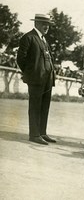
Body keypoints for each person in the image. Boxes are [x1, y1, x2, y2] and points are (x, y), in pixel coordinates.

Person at [17, 14, 56, 145]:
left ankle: (42, 133)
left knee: (45, 106)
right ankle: (34, 134)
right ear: (36, 23)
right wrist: (30, 74)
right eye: (44, 24)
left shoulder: (43, 39)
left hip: (47, 79)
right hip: (36, 79)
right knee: (35, 106)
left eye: (48, 24)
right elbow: (21, 59)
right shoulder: (28, 37)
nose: (47, 27)